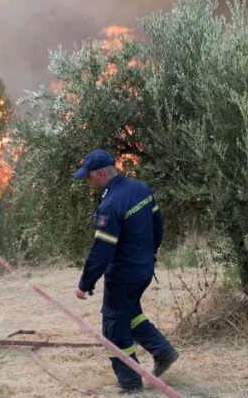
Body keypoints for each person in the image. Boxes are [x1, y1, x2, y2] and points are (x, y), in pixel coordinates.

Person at [73, 149, 180, 395]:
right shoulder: (141, 188)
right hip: (143, 268)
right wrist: (150, 253)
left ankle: (130, 383)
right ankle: (163, 352)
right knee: (130, 313)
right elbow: (158, 226)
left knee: (114, 327)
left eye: (88, 178)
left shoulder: (110, 205)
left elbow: (102, 251)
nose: (88, 183)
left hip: (123, 275)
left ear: (100, 174)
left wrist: (85, 283)